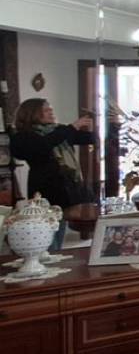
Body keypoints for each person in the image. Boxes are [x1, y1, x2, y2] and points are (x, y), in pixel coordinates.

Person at [12, 98, 96, 250]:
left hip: (66, 187)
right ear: (33, 113)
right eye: (46, 110)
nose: (51, 112)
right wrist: (72, 127)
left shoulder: (58, 130)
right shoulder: (23, 136)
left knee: (60, 226)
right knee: (48, 231)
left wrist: (90, 127)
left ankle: (56, 254)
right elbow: (43, 145)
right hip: (45, 188)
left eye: (51, 109)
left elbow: (89, 139)